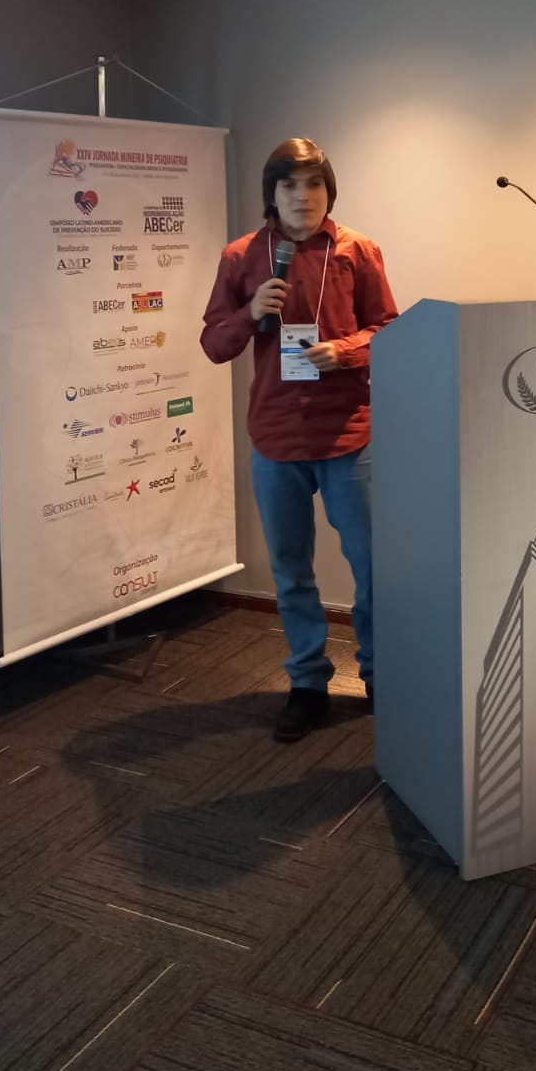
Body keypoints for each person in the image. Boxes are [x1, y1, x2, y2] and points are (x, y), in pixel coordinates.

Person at [200, 139, 399, 742]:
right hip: (276, 437)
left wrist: (345, 351)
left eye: (314, 184)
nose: (302, 196)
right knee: (290, 571)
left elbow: (390, 329)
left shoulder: (358, 250)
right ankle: (308, 684)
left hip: (348, 435)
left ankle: (382, 676)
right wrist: (249, 313)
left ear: (328, 191)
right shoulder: (241, 256)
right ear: (273, 193)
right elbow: (214, 344)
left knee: (374, 567)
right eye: (289, 184)